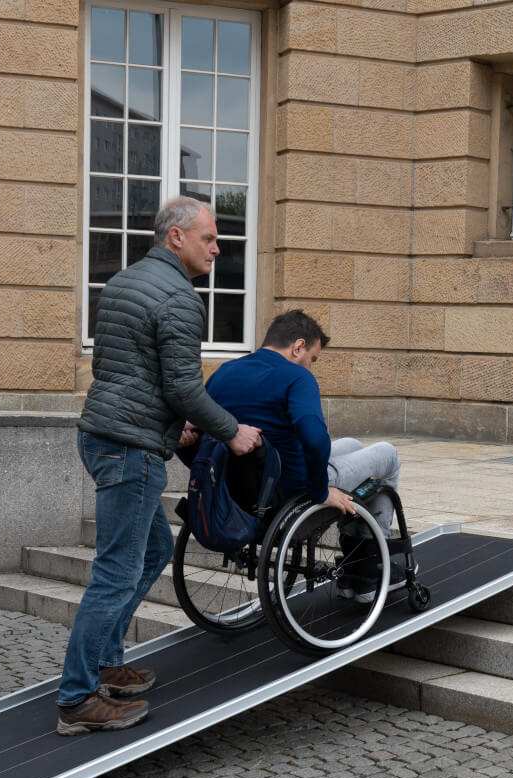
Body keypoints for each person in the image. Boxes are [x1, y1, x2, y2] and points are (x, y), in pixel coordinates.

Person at [56, 196, 262, 736]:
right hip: (131, 448)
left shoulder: (124, 282)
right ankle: (78, 699)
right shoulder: (179, 297)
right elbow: (181, 385)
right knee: (115, 572)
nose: (218, 249)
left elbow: (118, 368)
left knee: (149, 552)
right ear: (176, 237)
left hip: (104, 434)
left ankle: (107, 666)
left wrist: (178, 421)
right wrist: (230, 431)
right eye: (209, 239)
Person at [188, 309, 406, 603]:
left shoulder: (225, 372)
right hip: (292, 489)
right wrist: (319, 491)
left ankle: (361, 563)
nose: (310, 367)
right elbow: (315, 439)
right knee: (387, 455)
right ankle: (369, 566)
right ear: (298, 346)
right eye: (312, 359)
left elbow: (200, 435)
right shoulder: (296, 377)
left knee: (352, 444)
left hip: (243, 488)